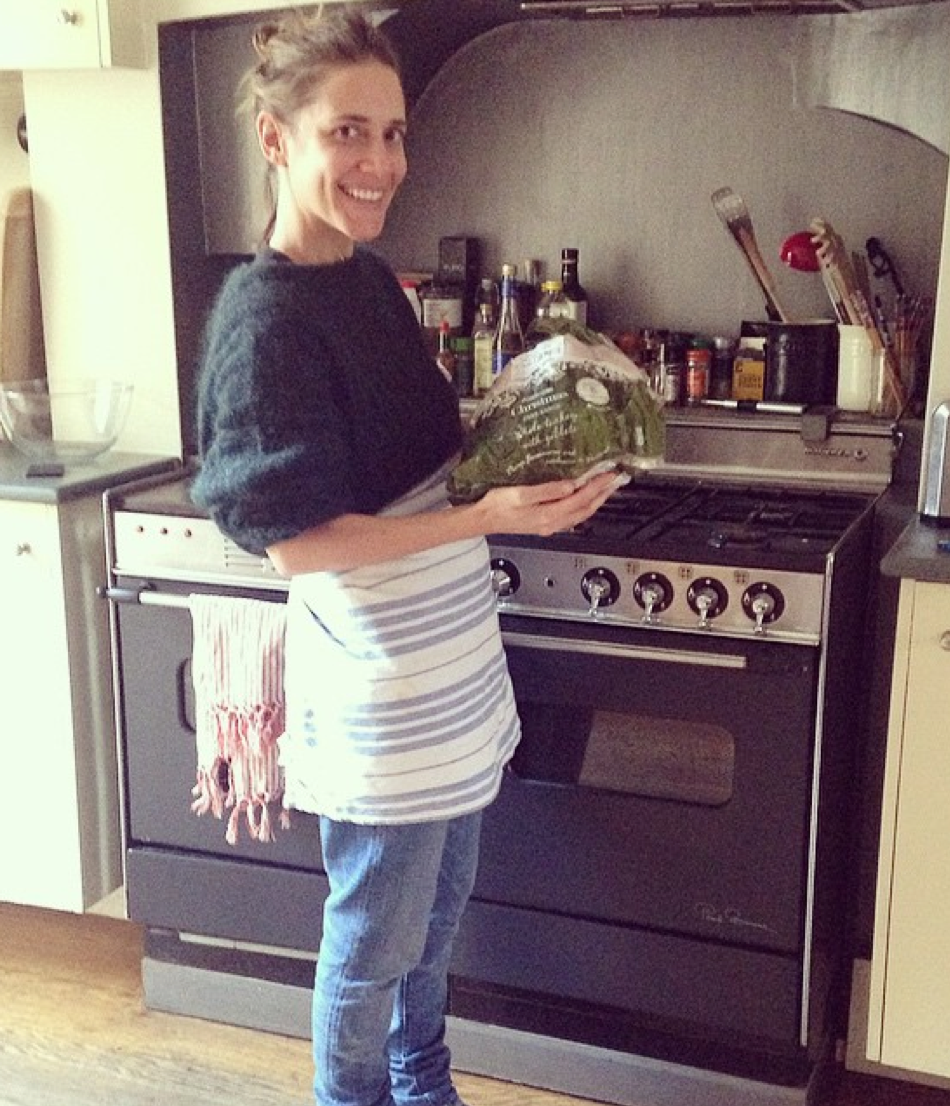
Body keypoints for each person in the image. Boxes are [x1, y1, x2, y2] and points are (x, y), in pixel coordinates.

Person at [190, 9, 625, 1106]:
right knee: (373, 941)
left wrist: (537, 433)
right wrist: (493, 518)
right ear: (276, 137)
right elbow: (296, 541)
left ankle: (422, 1080)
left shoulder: (364, 281)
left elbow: (416, 462)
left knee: (433, 922)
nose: (380, 162)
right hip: (380, 699)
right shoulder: (266, 320)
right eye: (348, 131)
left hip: (447, 679)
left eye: (391, 133)